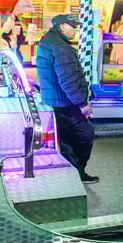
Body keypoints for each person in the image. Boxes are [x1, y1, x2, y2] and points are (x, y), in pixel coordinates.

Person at [35, 15, 98, 183]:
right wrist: (82, 103)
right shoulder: (60, 47)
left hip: (55, 100)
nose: (75, 30)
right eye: (72, 26)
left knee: (65, 140)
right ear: (62, 27)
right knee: (85, 134)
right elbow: (69, 79)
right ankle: (76, 172)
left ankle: (74, 172)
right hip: (65, 101)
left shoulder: (49, 41)